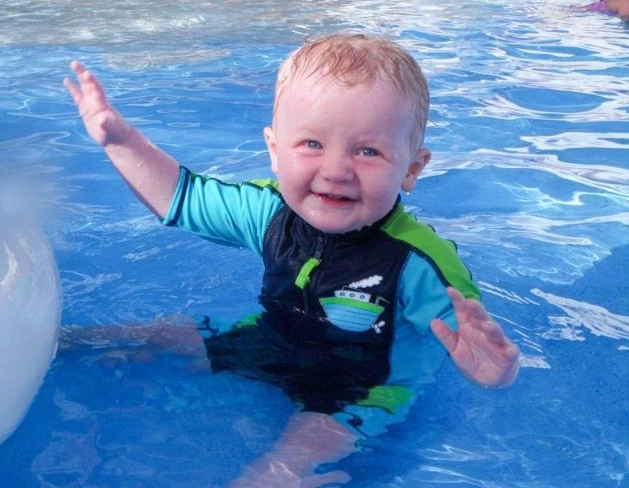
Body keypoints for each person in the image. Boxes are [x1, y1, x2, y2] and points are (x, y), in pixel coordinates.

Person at [64, 34, 520, 488]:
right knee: (159, 333)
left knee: (289, 461)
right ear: (275, 151)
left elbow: (468, 340)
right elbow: (180, 198)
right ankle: (59, 344)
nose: (336, 169)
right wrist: (120, 141)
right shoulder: (268, 211)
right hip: (273, 342)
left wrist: (493, 373)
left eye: (368, 152)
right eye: (312, 144)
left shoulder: (420, 261)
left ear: (411, 169)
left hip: (362, 385)